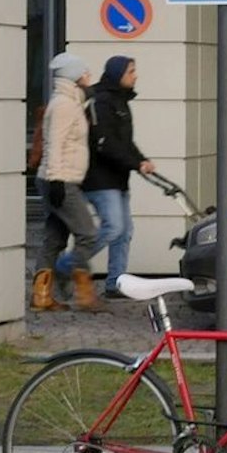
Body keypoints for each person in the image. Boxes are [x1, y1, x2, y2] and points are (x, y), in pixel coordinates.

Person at [33, 52, 104, 312]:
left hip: (62, 178)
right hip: (60, 179)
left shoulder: (71, 101)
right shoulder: (63, 104)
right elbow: (55, 143)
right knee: (88, 233)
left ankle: (42, 296)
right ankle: (84, 295)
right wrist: (56, 181)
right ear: (75, 76)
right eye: (85, 73)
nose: (89, 77)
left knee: (54, 239)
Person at [82, 55, 156, 298]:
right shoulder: (102, 102)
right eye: (131, 72)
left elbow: (125, 142)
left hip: (118, 178)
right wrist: (135, 163)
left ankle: (115, 283)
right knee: (113, 228)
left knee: (124, 232)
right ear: (117, 75)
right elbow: (105, 143)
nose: (135, 76)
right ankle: (68, 264)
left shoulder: (121, 103)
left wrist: (141, 160)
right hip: (100, 179)